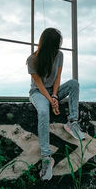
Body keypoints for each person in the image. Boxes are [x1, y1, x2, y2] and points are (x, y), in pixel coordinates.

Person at [26, 28, 85, 181]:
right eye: (54, 46)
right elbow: (38, 84)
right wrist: (52, 101)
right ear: (46, 45)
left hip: (53, 91)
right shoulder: (32, 59)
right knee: (44, 113)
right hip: (38, 93)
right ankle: (46, 157)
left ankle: (72, 122)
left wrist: (54, 96)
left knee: (74, 84)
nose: (57, 49)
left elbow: (58, 77)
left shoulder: (59, 55)